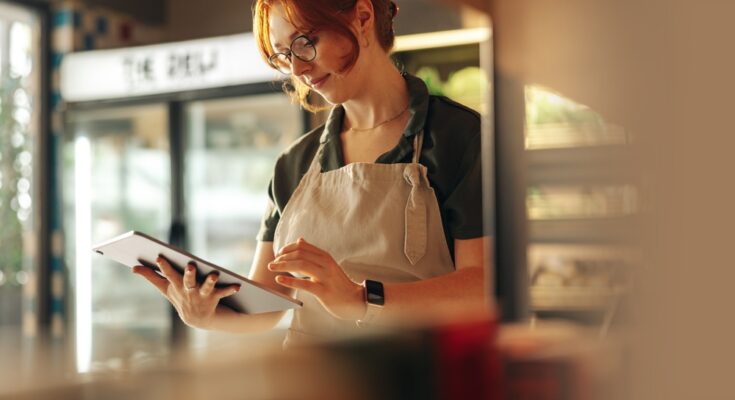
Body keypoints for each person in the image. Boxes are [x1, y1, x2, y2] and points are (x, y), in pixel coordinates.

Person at [133, 0, 489, 346]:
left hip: (416, 378)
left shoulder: (459, 137)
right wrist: (206, 314)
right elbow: (269, 303)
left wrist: (363, 299)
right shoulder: (295, 162)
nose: (298, 70)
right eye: (284, 56)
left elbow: (481, 285)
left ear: (363, 18)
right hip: (309, 379)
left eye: (305, 43)